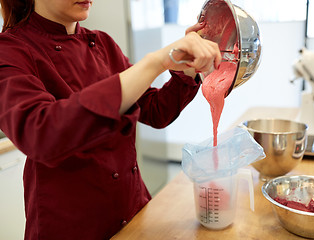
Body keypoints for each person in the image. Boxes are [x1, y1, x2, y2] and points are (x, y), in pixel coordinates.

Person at [0, 0, 221, 239]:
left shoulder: (102, 43)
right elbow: (40, 133)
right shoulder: (11, 49)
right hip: (70, 227)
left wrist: (188, 67)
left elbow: (156, 111)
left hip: (133, 212)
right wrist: (155, 61)